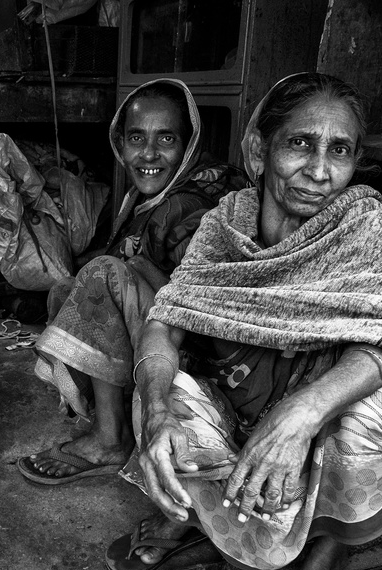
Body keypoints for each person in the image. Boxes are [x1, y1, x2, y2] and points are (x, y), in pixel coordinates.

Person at [109, 72, 382, 570]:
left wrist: (299, 415)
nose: (320, 171)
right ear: (258, 149)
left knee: (372, 397)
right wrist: (153, 414)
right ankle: (195, 513)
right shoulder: (224, 225)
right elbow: (165, 319)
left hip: (316, 418)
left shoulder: (364, 227)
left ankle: (325, 563)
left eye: (339, 150)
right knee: (162, 389)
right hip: (243, 396)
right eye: (300, 144)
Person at [17, 79, 247, 484]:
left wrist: (118, 275)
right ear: (119, 144)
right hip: (167, 330)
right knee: (67, 290)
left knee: (100, 277)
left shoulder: (190, 202)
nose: (149, 153)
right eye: (137, 138)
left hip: (199, 351)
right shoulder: (154, 197)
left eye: (167, 139)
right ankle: (116, 413)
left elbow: (204, 294)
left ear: (188, 144)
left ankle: (110, 438)